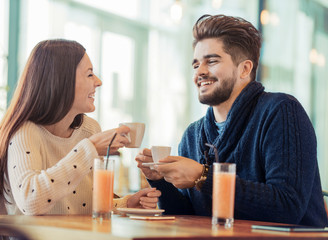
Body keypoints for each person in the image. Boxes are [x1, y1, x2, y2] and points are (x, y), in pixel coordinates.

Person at [136, 14, 328, 227]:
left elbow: (287, 207)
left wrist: (203, 177)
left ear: (245, 69)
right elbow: (189, 215)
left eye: (212, 61)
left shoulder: (282, 111)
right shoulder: (193, 135)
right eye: (196, 64)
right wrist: (159, 180)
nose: (200, 72)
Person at [0, 39, 161, 215]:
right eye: (90, 74)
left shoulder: (90, 129)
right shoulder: (24, 132)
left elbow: (86, 204)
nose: (98, 82)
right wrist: (89, 149)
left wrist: (126, 203)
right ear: (62, 80)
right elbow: (31, 202)